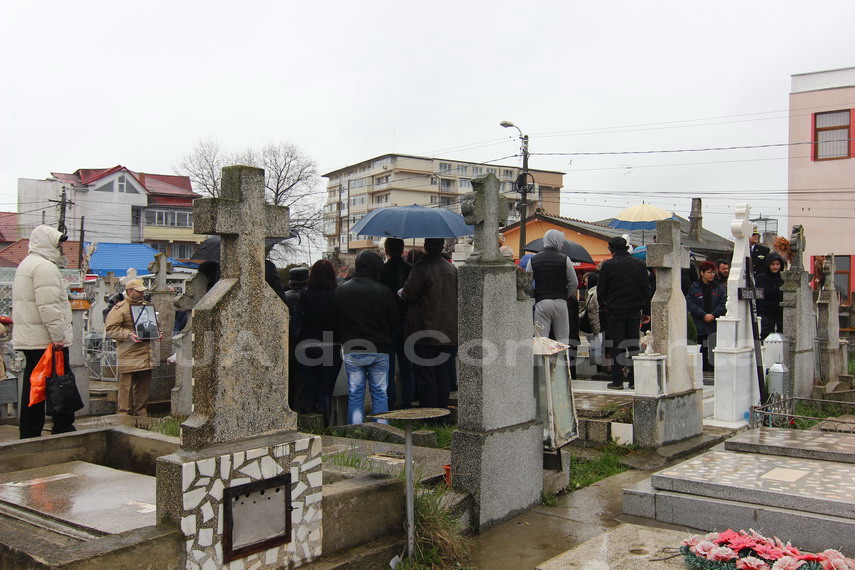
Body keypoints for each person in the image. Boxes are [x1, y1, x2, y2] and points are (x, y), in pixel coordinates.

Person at [12, 225, 76, 438]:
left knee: (34, 385)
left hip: (32, 337)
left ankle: (30, 430)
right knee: (60, 382)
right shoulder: (44, 267)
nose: (59, 248)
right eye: (57, 244)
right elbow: (49, 307)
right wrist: (58, 336)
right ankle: (62, 425)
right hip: (46, 340)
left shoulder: (26, 264)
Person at [336, 251, 398, 424]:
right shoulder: (385, 291)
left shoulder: (342, 290)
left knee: (355, 393)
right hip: (380, 348)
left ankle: (356, 430)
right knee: (380, 393)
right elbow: (394, 321)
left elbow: (336, 320)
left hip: (352, 348)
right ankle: (382, 430)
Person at [400, 238, 458, 414]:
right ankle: (442, 412)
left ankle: (430, 414)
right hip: (448, 330)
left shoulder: (420, 267)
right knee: (443, 374)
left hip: (424, 330)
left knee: (426, 375)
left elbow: (409, 295)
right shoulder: (451, 269)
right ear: (441, 247)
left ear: (425, 247)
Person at [598, 237, 652, 390]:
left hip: (615, 309)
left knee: (617, 345)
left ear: (611, 250)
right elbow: (646, 289)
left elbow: (601, 291)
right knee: (633, 344)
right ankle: (634, 379)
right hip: (635, 309)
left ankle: (617, 380)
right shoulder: (640, 264)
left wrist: (605, 305)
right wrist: (646, 310)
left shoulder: (608, 265)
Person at [296, 259, 341, 425]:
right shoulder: (337, 295)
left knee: (309, 389)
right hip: (331, 345)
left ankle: (306, 424)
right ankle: (325, 426)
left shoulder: (305, 295)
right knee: (325, 391)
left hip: (307, 344)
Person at [105, 278, 158, 416]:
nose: (141, 294)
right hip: (128, 352)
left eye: (142, 291)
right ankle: (124, 414)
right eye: (138, 291)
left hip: (146, 352)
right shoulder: (120, 308)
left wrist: (157, 332)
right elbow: (110, 329)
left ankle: (141, 412)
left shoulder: (146, 306)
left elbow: (152, 325)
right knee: (125, 386)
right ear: (129, 291)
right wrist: (128, 334)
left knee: (144, 387)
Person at [525, 229, 578, 344]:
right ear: (557, 241)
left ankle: (542, 362)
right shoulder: (565, 259)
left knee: (541, 339)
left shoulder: (533, 260)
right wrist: (565, 295)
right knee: (563, 339)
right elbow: (574, 282)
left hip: (542, 302)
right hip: (561, 302)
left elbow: (527, 283)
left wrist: (536, 295)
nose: (562, 244)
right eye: (561, 241)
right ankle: (563, 361)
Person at [380, 238, 414, 409]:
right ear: (402, 249)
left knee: (389, 364)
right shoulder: (411, 269)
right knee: (407, 363)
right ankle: (407, 399)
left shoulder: (382, 270)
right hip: (407, 321)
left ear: (386, 250)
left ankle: (391, 400)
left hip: (387, 322)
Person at [686, 261, 727, 371]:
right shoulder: (694, 287)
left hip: (714, 323)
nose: (712, 275)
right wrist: (703, 315)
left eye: (713, 272)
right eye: (709, 272)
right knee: (701, 347)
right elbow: (690, 303)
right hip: (699, 323)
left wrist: (713, 315)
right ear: (702, 273)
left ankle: (713, 368)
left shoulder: (719, 288)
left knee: (713, 346)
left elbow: (723, 303)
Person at [284, 266, 309, 411]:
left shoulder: (284, 297)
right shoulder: (309, 296)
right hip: (306, 344)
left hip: (287, 346)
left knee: (289, 382)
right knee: (302, 384)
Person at [755, 252, 785, 339]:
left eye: (777, 264)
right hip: (766, 316)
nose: (775, 267)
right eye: (772, 264)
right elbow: (764, 295)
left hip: (780, 316)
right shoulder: (761, 278)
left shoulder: (783, 278)